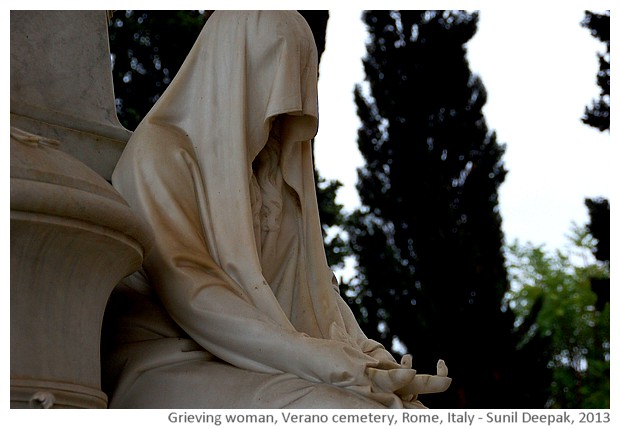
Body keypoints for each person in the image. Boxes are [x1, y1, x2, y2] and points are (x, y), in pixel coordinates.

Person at [103, 10, 450, 409]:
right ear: (236, 74)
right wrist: (319, 360)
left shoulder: (271, 174)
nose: (278, 119)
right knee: (338, 410)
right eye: (273, 95)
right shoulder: (161, 155)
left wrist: (369, 357)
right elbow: (194, 293)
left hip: (270, 361)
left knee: (405, 412)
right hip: (169, 358)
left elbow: (313, 291)